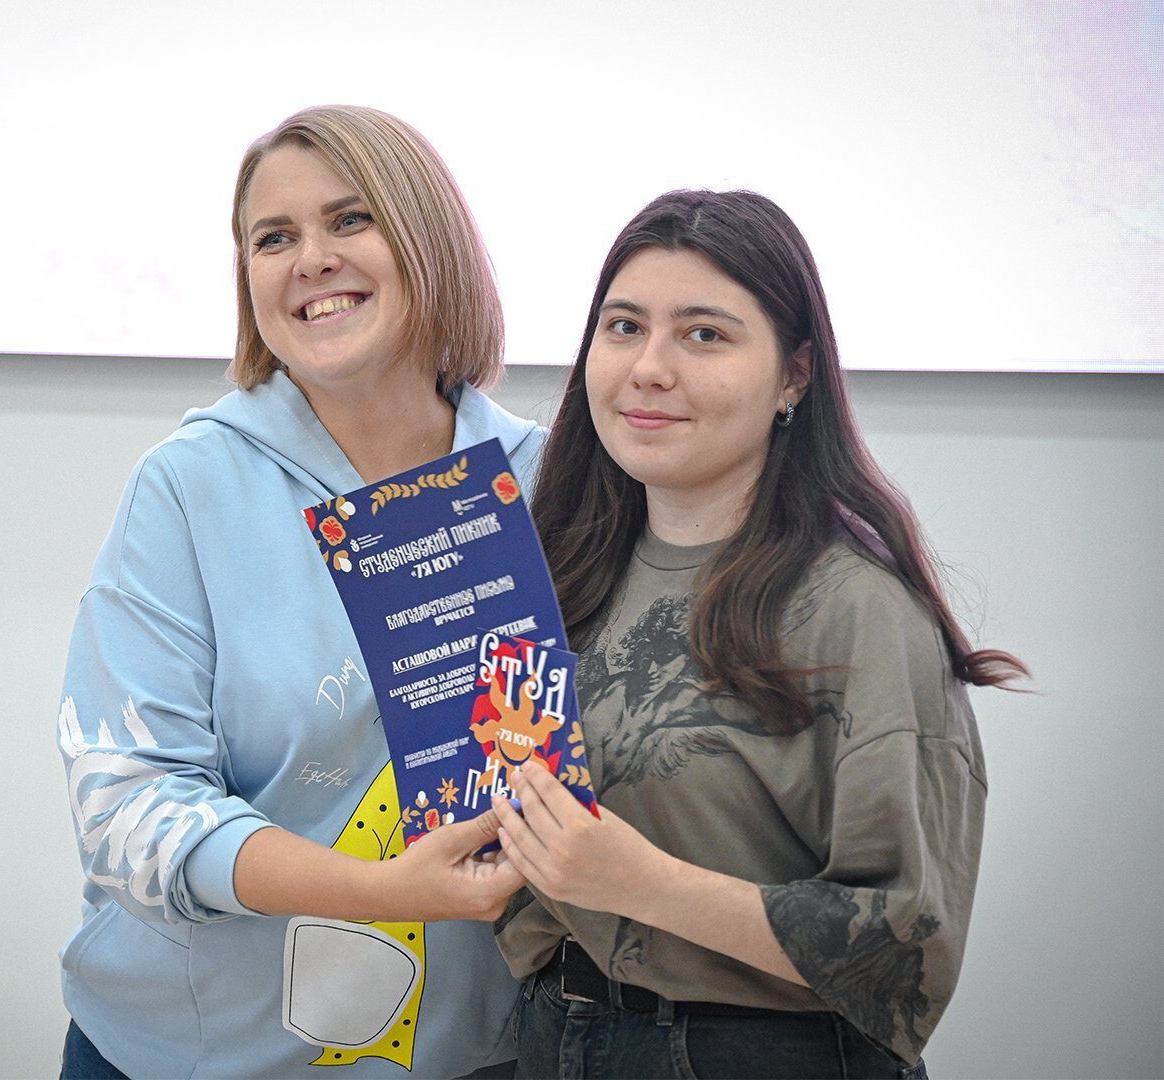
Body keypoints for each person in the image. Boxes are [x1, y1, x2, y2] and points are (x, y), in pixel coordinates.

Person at [490, 189, 1026, 1079]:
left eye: (704, 334)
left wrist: (642, 884)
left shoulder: (857, 608)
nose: (648, 368)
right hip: (555, 1036)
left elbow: (902, 954)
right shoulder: (558, 572)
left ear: (794, 376)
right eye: (624, 327)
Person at [55, 106, 533, 1079]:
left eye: (350, 220)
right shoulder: (189, 485)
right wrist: (377, 891)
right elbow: (126, 805)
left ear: (429, 239)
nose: (311, 259)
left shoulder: (549, 482)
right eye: (273, 239)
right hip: (190, 1057)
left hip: (472, 1058)